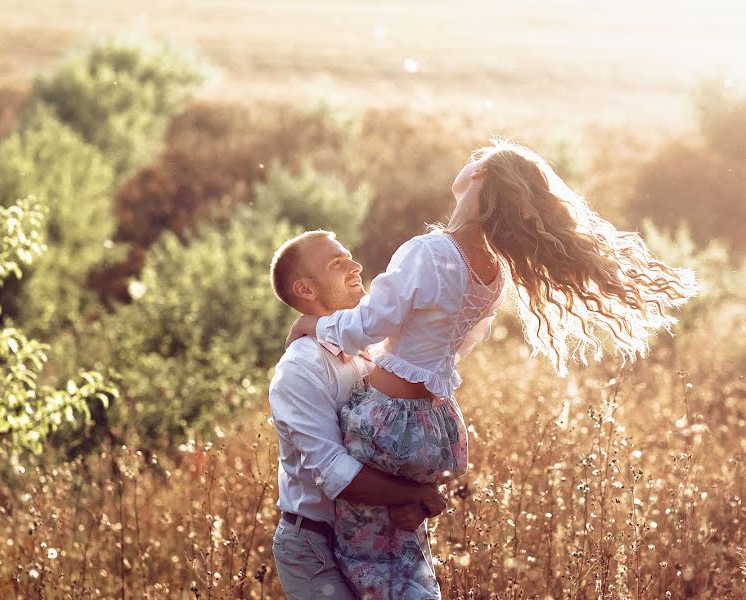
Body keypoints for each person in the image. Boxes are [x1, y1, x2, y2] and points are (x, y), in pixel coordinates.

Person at [285, 139, 699, 599]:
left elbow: (369, 324)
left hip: (387, 421)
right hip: (436, 427)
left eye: (476, 158)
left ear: (478, 178)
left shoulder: (428, 252)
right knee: (402, 553)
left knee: (365, 560)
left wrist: (316, 323)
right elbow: (458, 342)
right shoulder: (494, 273)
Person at [268, 231, 451, 600]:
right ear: (306, 289)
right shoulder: (300, 369)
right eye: (338, 264)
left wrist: (417, 501)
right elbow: (338, 475)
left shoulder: (377, 351)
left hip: (380, 536)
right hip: (315, 547)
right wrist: (417, 495)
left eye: (350, 257)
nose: (356, 267)